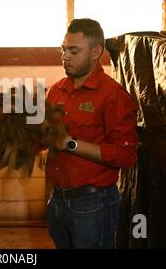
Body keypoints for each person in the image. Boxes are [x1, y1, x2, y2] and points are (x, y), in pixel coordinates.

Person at [45, 18, 138, 249]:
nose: (65, 56)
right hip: (57, 200)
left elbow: (126, 155)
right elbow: (44, 137)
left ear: (96, 52)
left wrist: (70, 143)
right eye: (63, 49)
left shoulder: (112, 95)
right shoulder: (57, 90)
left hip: (92, 204)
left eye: (74, 51)